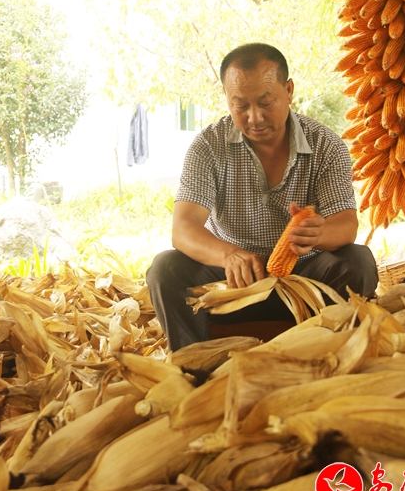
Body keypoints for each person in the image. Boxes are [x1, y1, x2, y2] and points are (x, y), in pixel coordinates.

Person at [146, 43, 378, 351]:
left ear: (289, 91)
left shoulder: (326, 145)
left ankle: (333, 354)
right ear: (227, 98)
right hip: (231, 286)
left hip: (303, 285)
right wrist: (228, 255)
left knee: (358, 261)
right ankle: (196, 363)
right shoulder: (208, 146)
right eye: (240, 105)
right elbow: (183, 227)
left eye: (266, 102)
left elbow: (346, 224)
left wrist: (319, 234)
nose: (254, 118)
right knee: (165, 268)